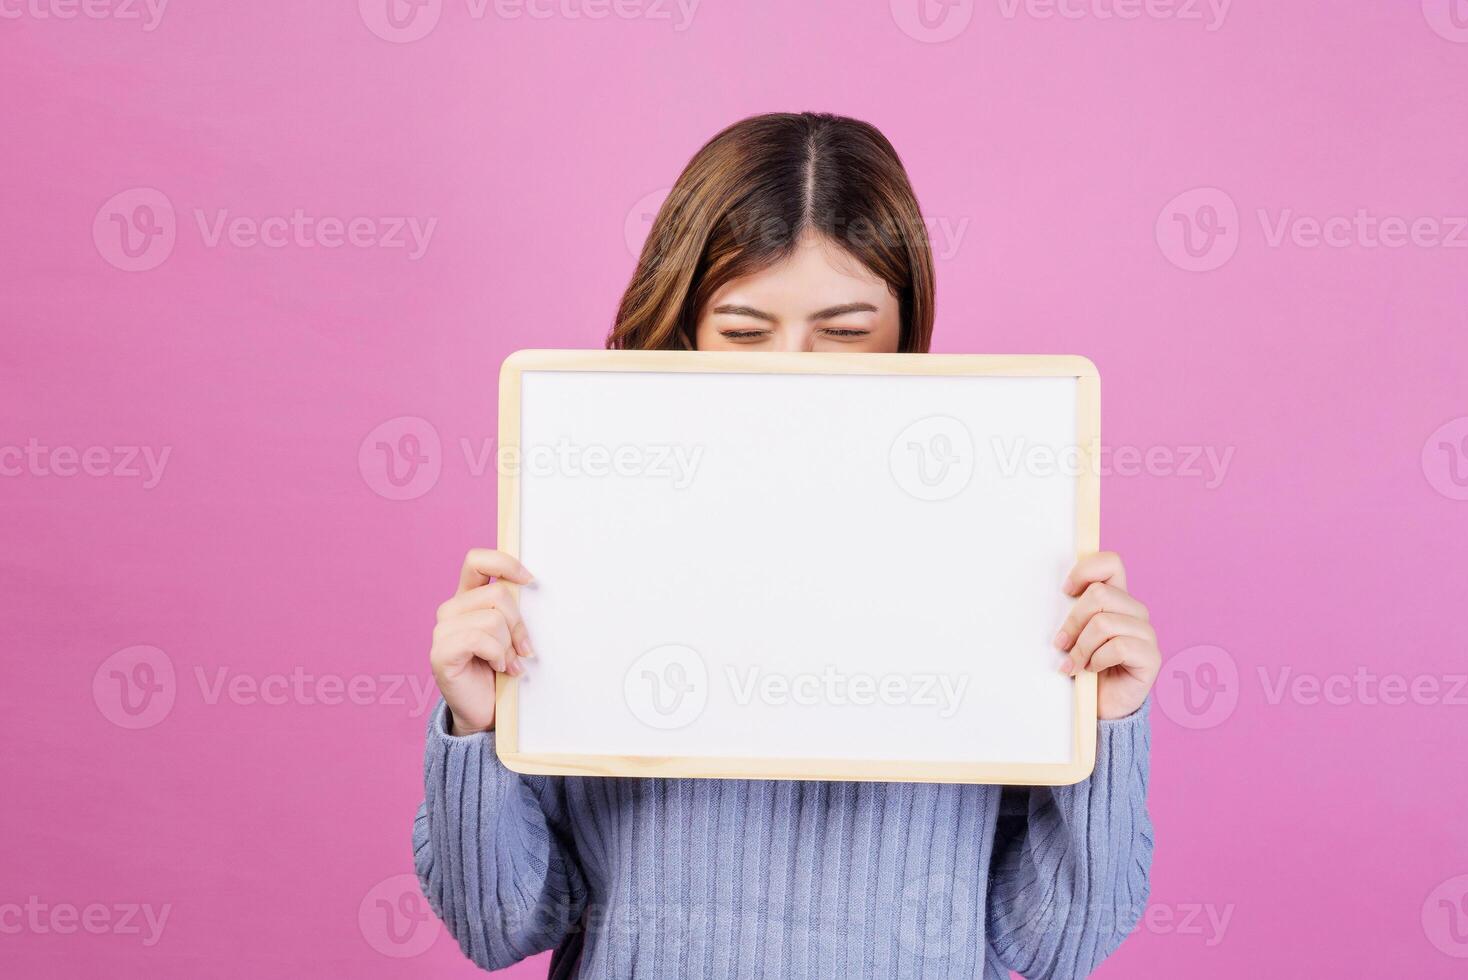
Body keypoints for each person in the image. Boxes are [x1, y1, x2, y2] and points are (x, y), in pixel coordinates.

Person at [414, 112, 1159, 979]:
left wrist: (1105, 723)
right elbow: (499, 926)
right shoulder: (589, 531)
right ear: (685, 326)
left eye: (844, 332)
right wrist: (476, 722)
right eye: (742, 332)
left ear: (909, 334)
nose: (792, 368)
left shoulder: (999, 540)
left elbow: (1057, 941)